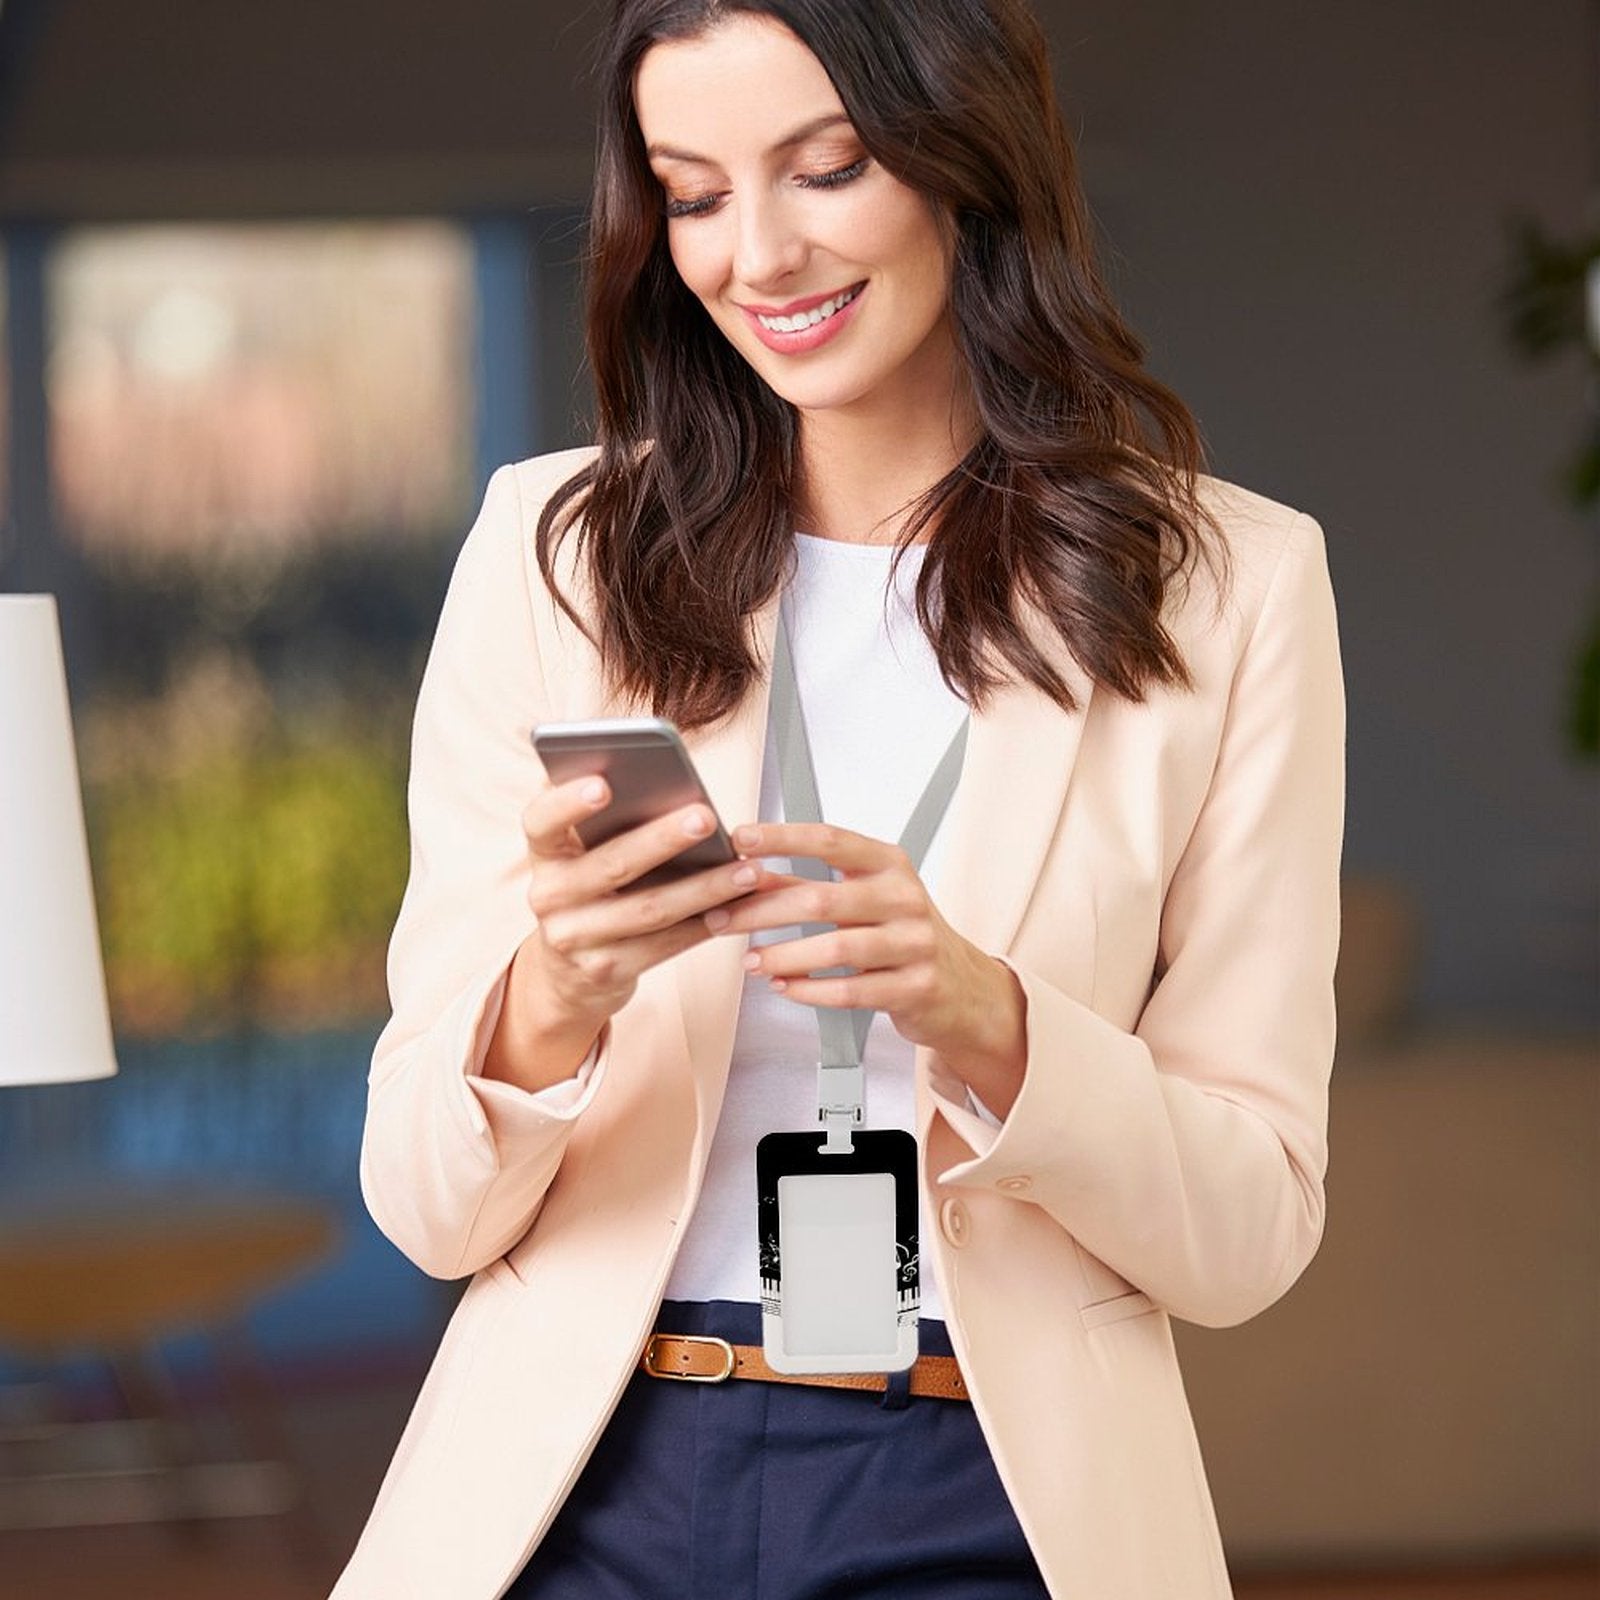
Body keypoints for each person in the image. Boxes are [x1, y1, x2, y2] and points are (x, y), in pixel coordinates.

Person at [332, 0, 1344, 1595]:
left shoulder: (1229, 590)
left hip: (983, 1493)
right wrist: (553, 1001)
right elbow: (423, 1205)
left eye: (828, 168)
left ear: (966, 160)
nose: (759, 256)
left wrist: (985, 1017)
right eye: (694, 191)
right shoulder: (558, 556)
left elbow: (1251, 1232)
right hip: (588, 1486)